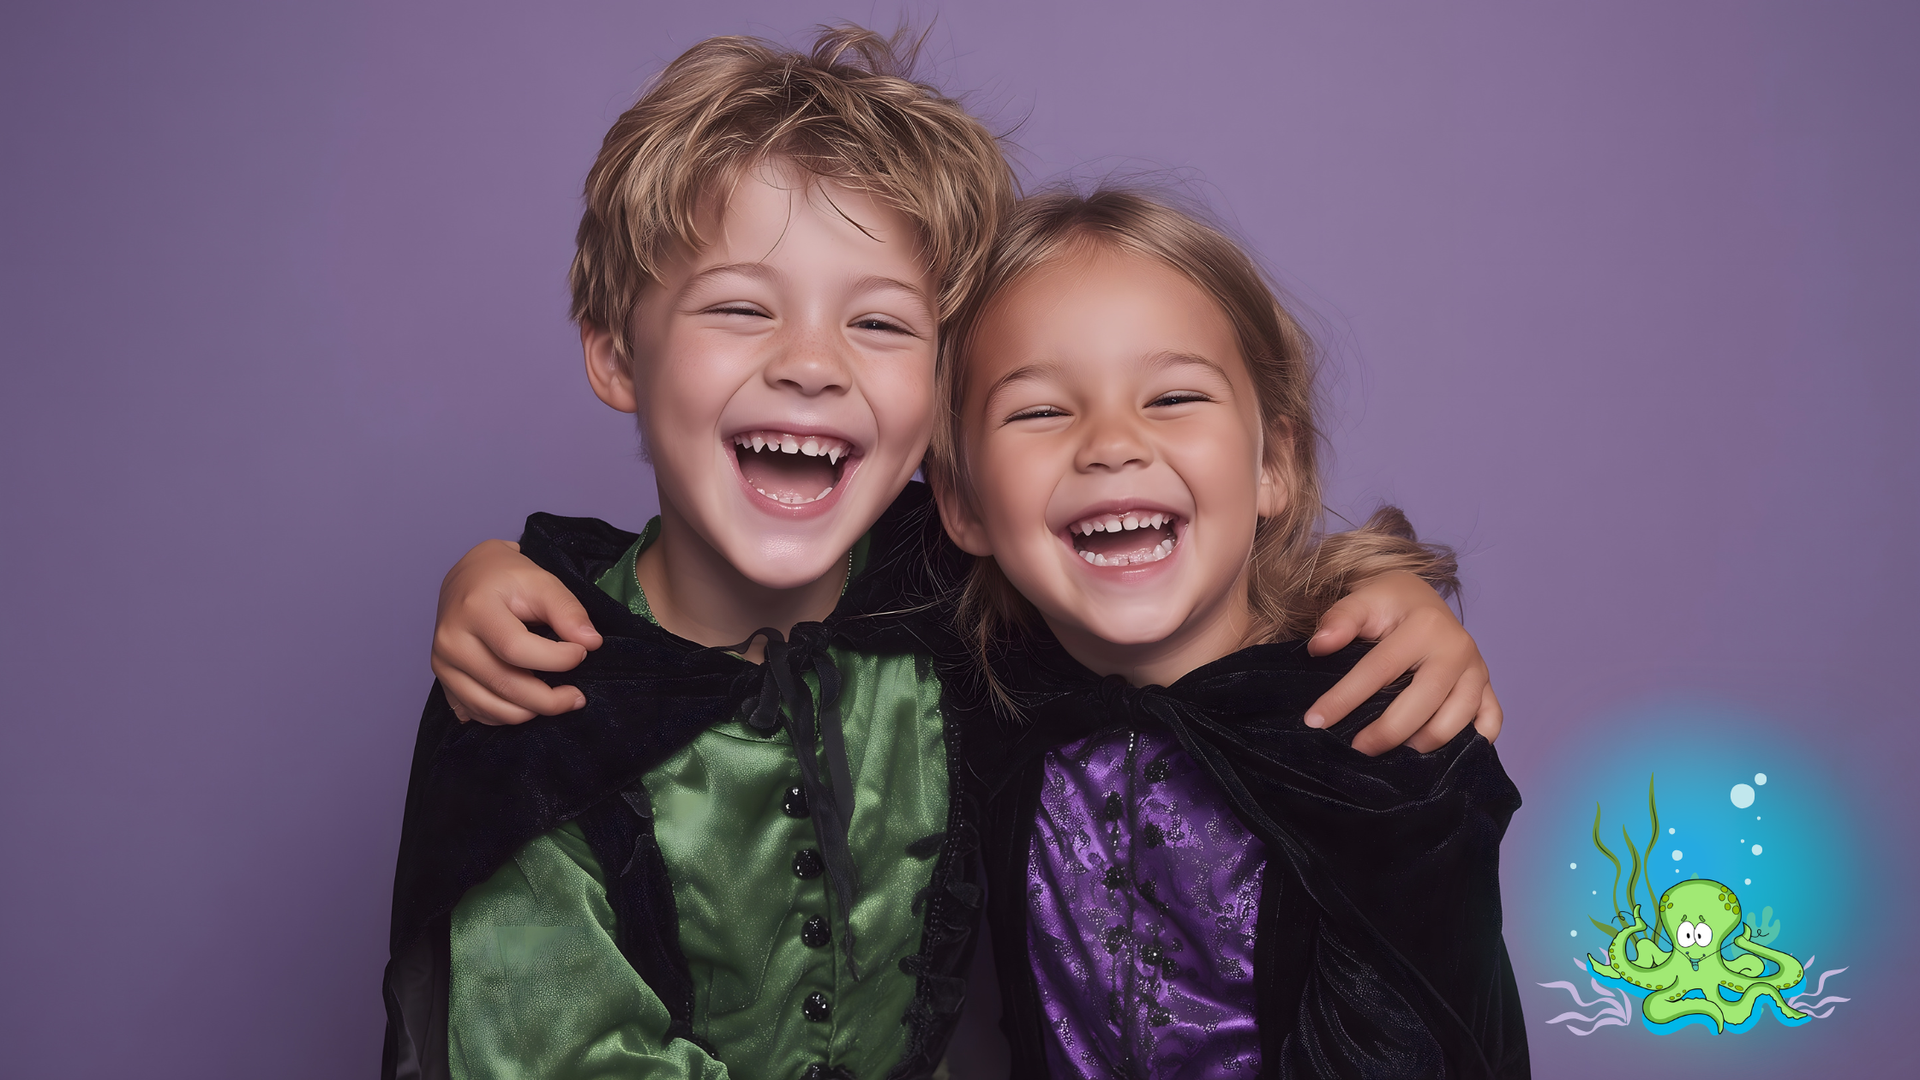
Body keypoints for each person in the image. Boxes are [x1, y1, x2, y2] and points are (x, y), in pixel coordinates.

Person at [405, 30, 1506, 1080]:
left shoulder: (956, 617)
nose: (809, 365)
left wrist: (1388, 585)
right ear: (614, 355)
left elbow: (1185, 611)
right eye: (741, 307)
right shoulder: (535, 691)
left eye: (879, 325)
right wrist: (489, 569)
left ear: (933, 426)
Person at [925, 188, 1528, 1078]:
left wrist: (1391, 582)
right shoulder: (968, 691)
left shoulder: (1378, 750)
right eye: (1040, 410)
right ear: (964, 502)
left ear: (1273, 465)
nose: (1111, 444)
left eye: (1172, 396)